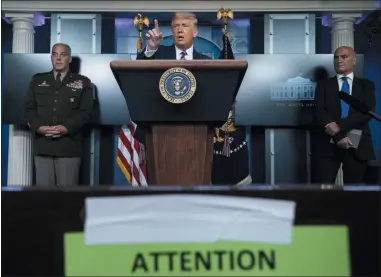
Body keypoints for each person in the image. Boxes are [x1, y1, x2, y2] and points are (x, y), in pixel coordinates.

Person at [24, 43, 94, 186]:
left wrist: (66, 128)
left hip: (69, 146)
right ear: (51, 58)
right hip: (43, 146)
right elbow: (28, 109)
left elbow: (87, 112)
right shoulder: (37, 80)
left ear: (69, 59)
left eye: (63, 55)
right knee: (44, 197)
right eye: (55, 55)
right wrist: (38, 128)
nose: (58, 58)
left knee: (67, 197)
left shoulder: (82, 82)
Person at [312, 46, 376, 184]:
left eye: (344, 57)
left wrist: (339, 126)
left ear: (354, 60)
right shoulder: (323, 85)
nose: (339, 60)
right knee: (323, 194)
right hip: (327, 147)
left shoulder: (367, 85)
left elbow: (366, 112)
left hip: (358, 146)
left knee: (354, 196)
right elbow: (319, 111)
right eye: (336, 57)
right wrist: (338, 135)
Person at [137, 12, 211, 60]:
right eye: (176, 26)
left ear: (195, 32)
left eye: (185, 26)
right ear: (172, 31)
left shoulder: (206, 61)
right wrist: (151, 48)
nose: (180, 30)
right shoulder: (159, 54)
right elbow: (139, 71)